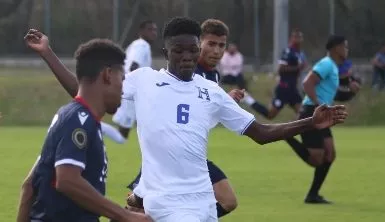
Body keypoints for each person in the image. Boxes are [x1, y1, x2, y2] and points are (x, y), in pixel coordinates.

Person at [25, 17, 347, 222]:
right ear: (166, 52)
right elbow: (84, 89)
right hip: (166, 205)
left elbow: (260, 132)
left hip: (204, 204)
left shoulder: (211, 90)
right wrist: (47, 53)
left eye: (193, 51)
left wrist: (309, 123)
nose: (187, 57)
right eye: (179, 51)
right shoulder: (144, 80)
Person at [18, 35, 151, 222]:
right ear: (107, 75)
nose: (123, 88)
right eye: (122, 78)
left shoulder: (75, 116)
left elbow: (29, 186)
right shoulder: (78, 119)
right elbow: (67, 180)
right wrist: (124, 215)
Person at [126, 19, 243, 218]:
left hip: (191, 161)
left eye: (221, 45)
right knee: (228, 200)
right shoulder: (184, 71)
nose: (216, 51)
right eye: (211, 44)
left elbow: (197, 119)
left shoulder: (211, 77)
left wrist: (224, 105)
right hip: (172, 164)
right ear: (200, 44)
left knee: (228, 201)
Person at [285, 35, 349, 204]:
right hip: (312, 112)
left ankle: (313, 195)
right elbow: (307, 84)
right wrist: (319, 104)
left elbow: (337, 95)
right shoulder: (327, 64)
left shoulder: (333, 67)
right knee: (316, 159)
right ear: (336, 48)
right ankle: (286, 135)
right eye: (345, 47)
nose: (347, 50)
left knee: (330, 154)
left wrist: (352, 91)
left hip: (321, 114)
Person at [101, 20, 158, 143]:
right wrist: (131, 86)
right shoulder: (143, 46)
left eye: (155, 30)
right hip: (130, 91)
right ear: (141, 32)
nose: (153, 33)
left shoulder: (137, 44)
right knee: (122, 136)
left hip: (129, 89)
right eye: (150, 29)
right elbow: (133, 66)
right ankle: (96, 126)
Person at [251, 29, 307, 119]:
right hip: (284, 89)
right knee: (270, 115)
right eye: (296, 37)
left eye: (300, 37)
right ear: (291, 39)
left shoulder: (300, 53)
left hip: (293, 89)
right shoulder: (288, 52)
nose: (298, 39)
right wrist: (298, 67)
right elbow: (281, 69)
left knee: (303, 115)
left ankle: (297, 130)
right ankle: (249, 100)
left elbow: (301, 68)